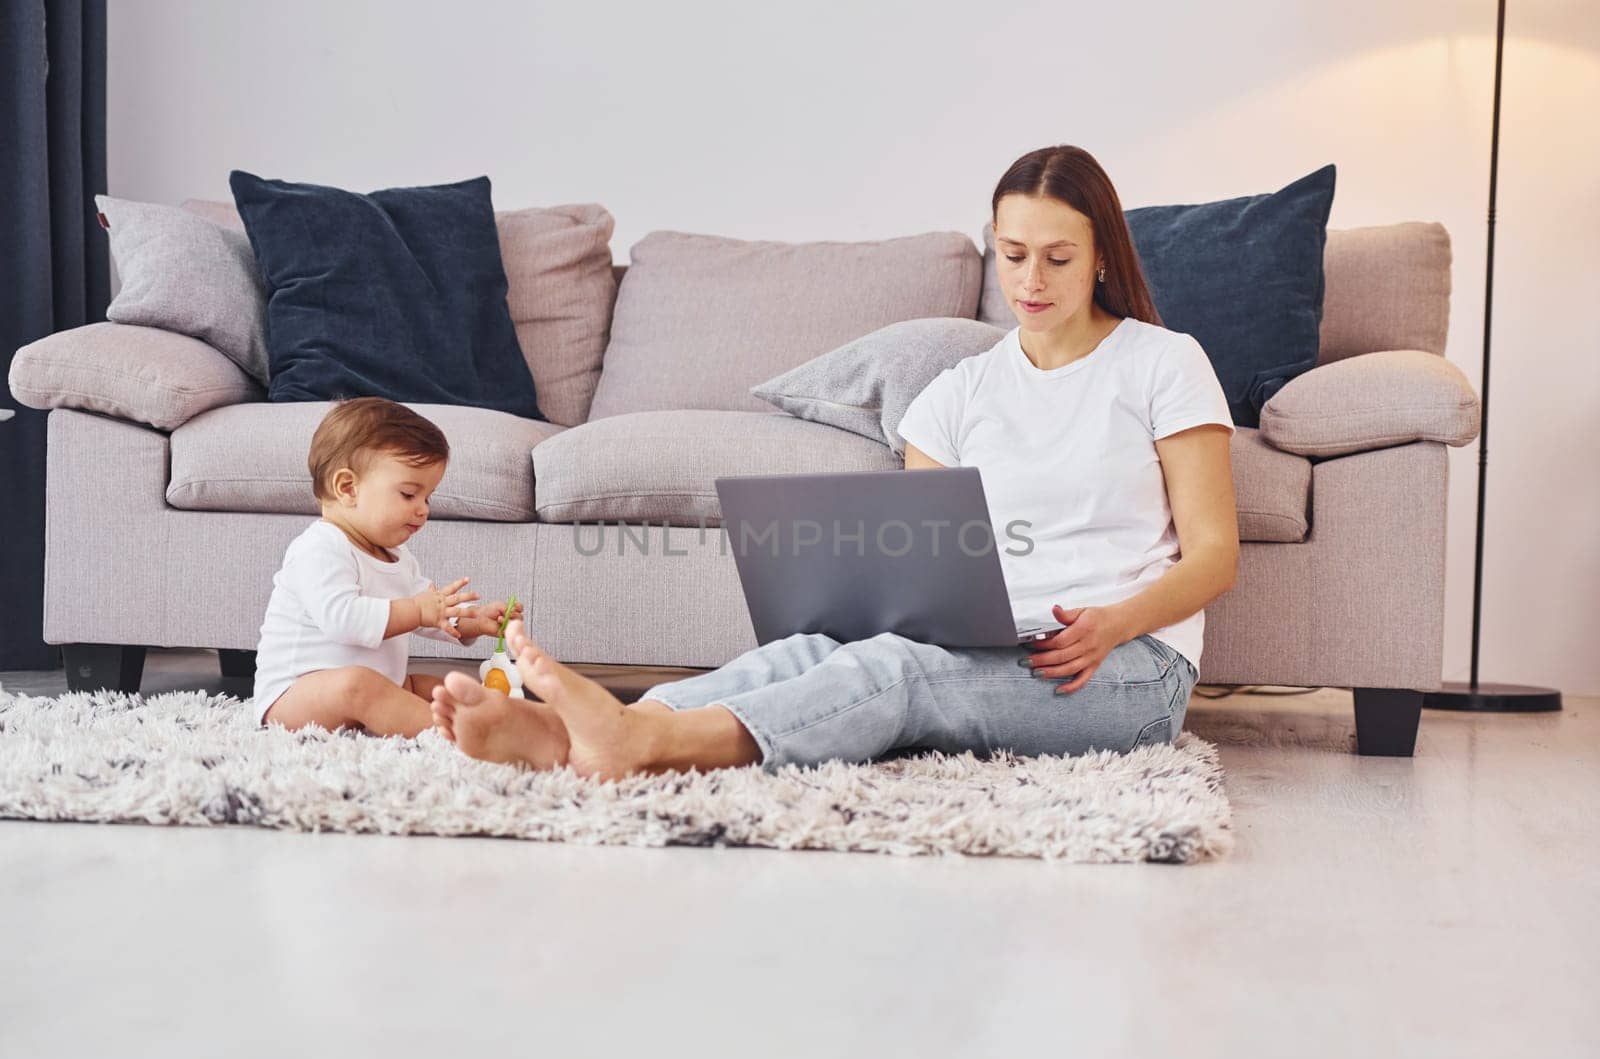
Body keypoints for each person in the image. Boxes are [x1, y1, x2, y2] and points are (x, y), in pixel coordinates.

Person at [430, 145, 1238, 780]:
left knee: (897, 674)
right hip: (992, 642)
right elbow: (934, 574)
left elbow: (1214, 554)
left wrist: (1117, 622)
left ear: (1101, 255)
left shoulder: (1162, 364)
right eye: (1013, 253)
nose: (1030, 280)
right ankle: (564, 727)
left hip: (1128, 667)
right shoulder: (956, 395)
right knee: (814, 653)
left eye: (1058, 259)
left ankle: (645, 740)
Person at [253, 397, 520, 736]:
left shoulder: (397, 558)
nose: (423, 509)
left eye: (428, 497)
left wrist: (474, 620)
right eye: (409, 494)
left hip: (368, 689)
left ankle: (499, 721)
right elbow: (344, 620)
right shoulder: (319, 548)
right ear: (348, 488)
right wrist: (417, 610)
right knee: (360, 684)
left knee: (435, 688)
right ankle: (457, 736)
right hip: (294, 698)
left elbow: (432, 613)